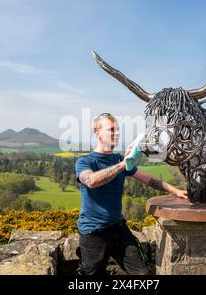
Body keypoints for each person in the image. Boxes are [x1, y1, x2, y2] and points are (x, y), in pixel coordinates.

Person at [75, 112, 188, 275]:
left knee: (143, 275)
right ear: (97, 132)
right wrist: (124, 164)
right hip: (93, 234)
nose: (117, 133)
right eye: (112, 129)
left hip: (119, 229)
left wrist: (175, 190)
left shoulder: (118, 159)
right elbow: (91, 181)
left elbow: (148, 179)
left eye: (118, 130)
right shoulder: (85, 161)